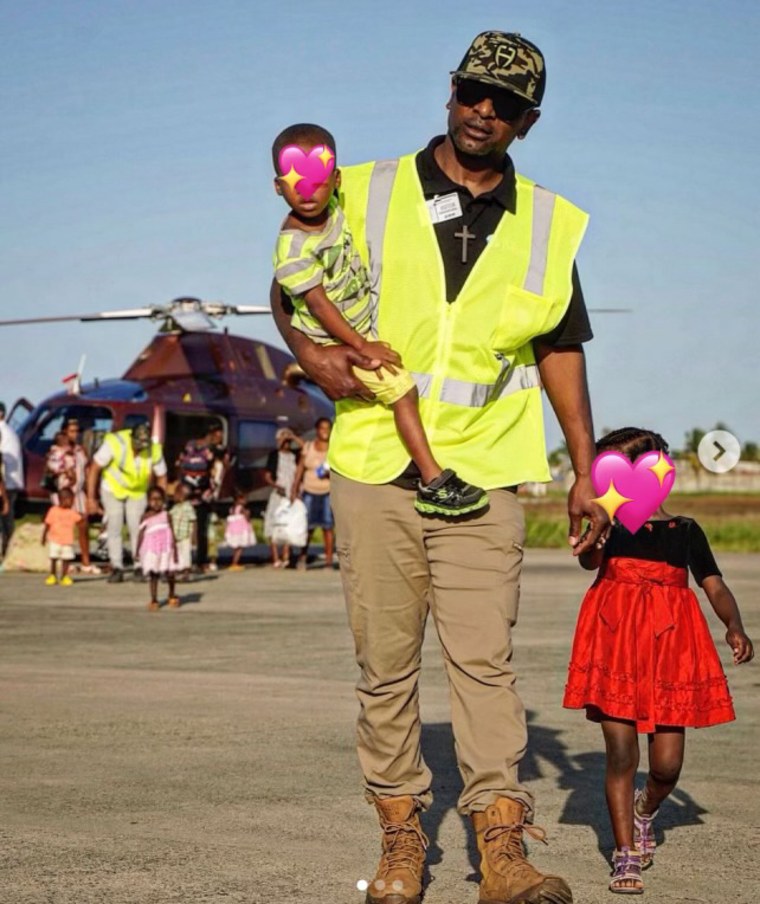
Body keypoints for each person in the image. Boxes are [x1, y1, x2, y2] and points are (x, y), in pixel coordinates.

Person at [271, 31, 608, 904]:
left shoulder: (549, 222)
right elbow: (286, 278)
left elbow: (561, 348)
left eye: (502, 103)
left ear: (527, 122)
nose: (481, 111)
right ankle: (399, 842)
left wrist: (584, 469)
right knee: (386, 667)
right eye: (471, 91)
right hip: (376, 462)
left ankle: (501, 849)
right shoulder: (363, 189)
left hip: (485, 471)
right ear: (451, 91)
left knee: (483, 663)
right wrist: (308, 355)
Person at [563, 426, 754, 894]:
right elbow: (589, 564)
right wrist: (594, 531)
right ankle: (625, 852)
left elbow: (713, 583)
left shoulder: (685, 531)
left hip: (671, 650)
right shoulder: (612, 526)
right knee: (623, 754)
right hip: (615, 645)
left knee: (667, 765)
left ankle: (645, 810)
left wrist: (733, 624)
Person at [273, 124, 486, 517]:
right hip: (335, 340)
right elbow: (318, 306)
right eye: (295, 183)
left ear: (336, 180)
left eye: (318, 182)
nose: (308, 193)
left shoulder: (331, 211)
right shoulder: (293, 248)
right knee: (403, 391)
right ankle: (433, 477)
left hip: (357, 328)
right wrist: (358, 345)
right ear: (277, 187)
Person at [86, 421, 167, 583]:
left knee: (137, 527)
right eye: (137, 444)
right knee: (114, 525)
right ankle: (117, 567)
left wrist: (160, 502)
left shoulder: (153, 449)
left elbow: (162, 476)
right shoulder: (115, 443)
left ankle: (139, 565)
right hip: (112, 488)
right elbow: (94, 468)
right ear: (131, 438)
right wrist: (91, 499)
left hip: (137, 491)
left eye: (142, 445)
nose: (139, 449)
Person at [46, 419, 100, 574]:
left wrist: (91, 493)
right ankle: (61, 561)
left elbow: (87, 468)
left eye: (77, 431)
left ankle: (85, 561)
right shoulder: (56, 450)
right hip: (63, 494)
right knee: (63, 528)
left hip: (78, 493)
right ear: (64, 432)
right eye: (71, 431)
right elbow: (51, 468)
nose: (75, 435)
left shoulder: (80, 450)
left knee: (83, 524)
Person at [176, 420, 225, 572]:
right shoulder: (201, 449)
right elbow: (180, 465)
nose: (220, 437)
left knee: (201, 527)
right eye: (217, 434)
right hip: (191, 491)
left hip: (202, 493)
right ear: (209, 434)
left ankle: (199, 560)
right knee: (189, 527)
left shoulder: (207, 449)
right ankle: (188, 560)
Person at [290, 417, 334, 570]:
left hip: (327, 491)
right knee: (307, 526)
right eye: (322, 428)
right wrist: (294, 488)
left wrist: (329, 474)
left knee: (327, 526)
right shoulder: (308, 447)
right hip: (309, 491)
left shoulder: (334, 448)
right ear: (317, 430)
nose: (325, 431)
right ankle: (302, 557)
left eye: (328, 428)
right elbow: (300, 468)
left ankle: (328, 561)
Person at [262, 427, 303, 568]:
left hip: (291, 493)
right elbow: (267, 476)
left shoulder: (294, 455)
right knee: (274, 522)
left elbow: (305, 447)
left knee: (289, 523)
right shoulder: (274, 455)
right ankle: (275, 556)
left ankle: (286, 555)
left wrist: (292, 437)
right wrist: (276, 486)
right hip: (279, 493)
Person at [136, 486, 179, 610]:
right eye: (153, 499)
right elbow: (140, 534)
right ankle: (154, 599)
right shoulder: (145, 517)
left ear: (164, 500)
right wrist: (137, 551)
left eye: (159, 499)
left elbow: (172, 533)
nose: (156, 502)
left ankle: (171, 594)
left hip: (166, 549)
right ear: (148, 501)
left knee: (170, 573)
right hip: (152, 550)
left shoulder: (167, 515)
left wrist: (175, 550)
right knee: (154, 574)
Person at [41, 487, 82, 587]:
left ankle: (64, 576)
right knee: (53, 558)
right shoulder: (53, 510)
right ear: (62, 499)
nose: (72, 503)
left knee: (66, 559)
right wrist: (43, 536)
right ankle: (53, 575)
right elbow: (47, 524)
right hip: (55, 539)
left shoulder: (72, 513)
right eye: (70, 500)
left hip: (67, 540)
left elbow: (80, 521)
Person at [0, 401, 24, 558]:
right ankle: (8, 551)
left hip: (5, 482)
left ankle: (7, 551)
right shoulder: (9, 430)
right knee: (7, 520)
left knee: (4, 520)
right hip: (12, 481)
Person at [169, 482, 197, 580]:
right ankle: (178, 570)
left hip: (185, 536)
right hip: (176, 535)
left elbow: (193, 521)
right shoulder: (175, 508)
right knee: (178, 554)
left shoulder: (188, 507)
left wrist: (194, 535)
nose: (174, 497)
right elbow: (170, 518)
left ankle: (186, 572)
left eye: (176, 494)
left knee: (186, 554)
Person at [224, 490, 255, 571]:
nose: (246, 501)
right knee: (240, 547)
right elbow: (247, 517)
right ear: (239, 499)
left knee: (236, 548)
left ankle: (234, 562)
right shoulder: (242, 508)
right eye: (244, 499)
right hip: (241, 530)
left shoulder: (232, 509)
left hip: (234, 531)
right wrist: (248, 513)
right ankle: (235, 563)